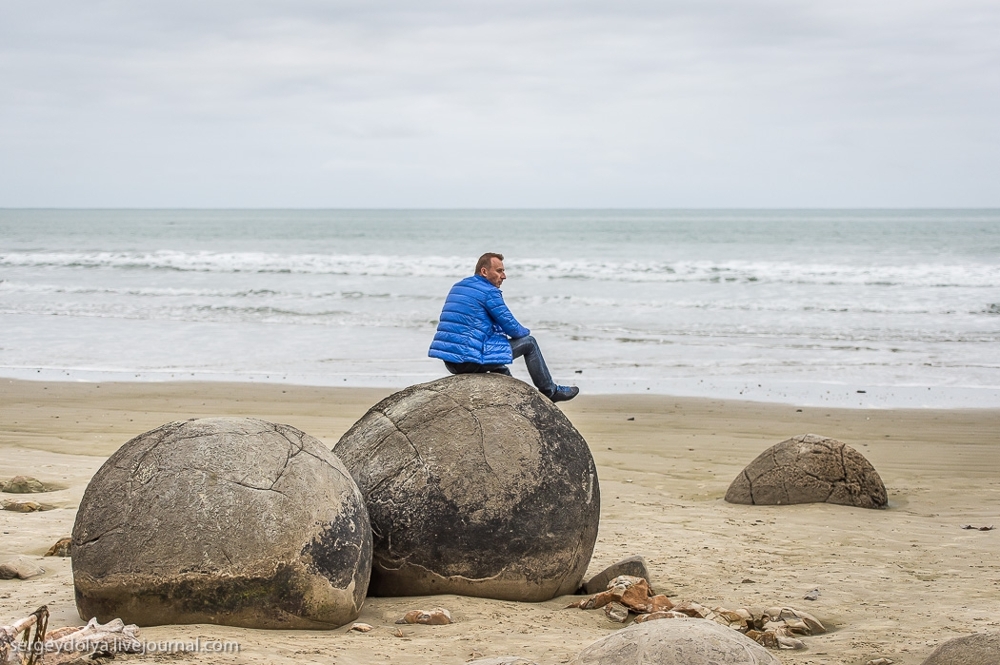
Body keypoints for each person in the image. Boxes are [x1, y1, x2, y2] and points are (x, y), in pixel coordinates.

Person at [428, 252, 579, 402]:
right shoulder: (489, 292)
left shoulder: (459, 286)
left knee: (500, 366)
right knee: (530, 343)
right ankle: (550, 391)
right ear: (484, 272)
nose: (504, 276)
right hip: (468, 361)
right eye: (499, 271)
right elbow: (513, 328)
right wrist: (525, 333)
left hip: (451, 362)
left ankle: (515, 398)